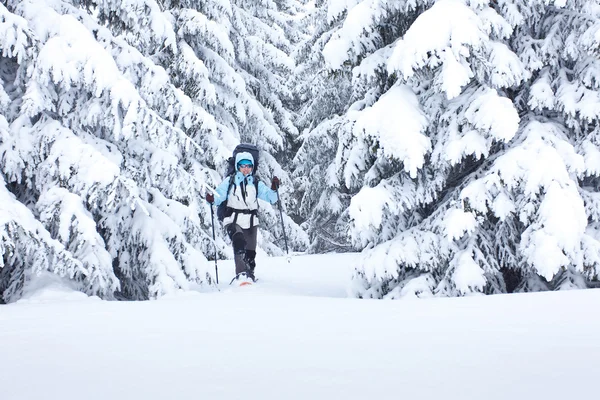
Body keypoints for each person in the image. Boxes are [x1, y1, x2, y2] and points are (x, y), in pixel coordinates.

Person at [206, 151, 280, 283]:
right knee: (238, 241)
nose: (246, 169)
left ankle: (249, 276)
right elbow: (218, 197)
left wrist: (274, 189)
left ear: (252, 167)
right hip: (233, 218)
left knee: (250, 253)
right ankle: (241, 275)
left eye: (248, 166)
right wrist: (211, 198)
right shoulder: (230, 181)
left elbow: (271, 198)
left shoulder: (255, 183)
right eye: (243, 166)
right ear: (237, 166)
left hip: (251, 221)